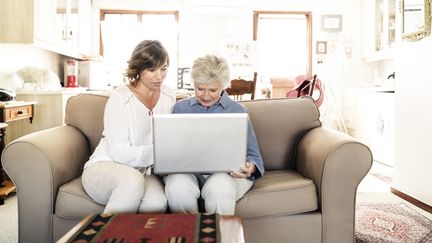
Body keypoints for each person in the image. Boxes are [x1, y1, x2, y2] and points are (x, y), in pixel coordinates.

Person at [81, 40, 176, 214]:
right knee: (131, 182)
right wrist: (161, 152)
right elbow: (119, 152)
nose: (159, 77)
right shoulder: (120, 98)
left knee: (157, 203)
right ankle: (108, 237)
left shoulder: (169, 96)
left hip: (143, 173)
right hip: (105, 166)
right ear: (138, 69)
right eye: (152, 70)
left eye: (163, 69)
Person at [164, 54, 264, 215]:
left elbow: (254, 155)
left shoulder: (238, 111)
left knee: (219, 188)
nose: (206, 95)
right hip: (189, 173)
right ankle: (188, 234)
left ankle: (218, 236)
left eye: (213, 90)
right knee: (177, 188)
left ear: (223, 87)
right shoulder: (179, 109)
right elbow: (170, 150)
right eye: (200, 89)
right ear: (194, 84)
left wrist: (250, 167)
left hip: (227, 174)